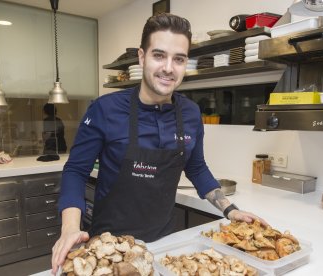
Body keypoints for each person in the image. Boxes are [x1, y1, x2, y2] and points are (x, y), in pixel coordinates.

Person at [51, 13, 267, 275]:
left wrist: (230, 211)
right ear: (142, 57)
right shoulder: (104, 109)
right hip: (110, 247)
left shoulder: (190, 114)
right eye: (159, 55)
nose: (168, 68)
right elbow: (76, 170)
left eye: (179, 59)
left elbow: (196, 168)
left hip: (165, 244)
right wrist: (70, 229)